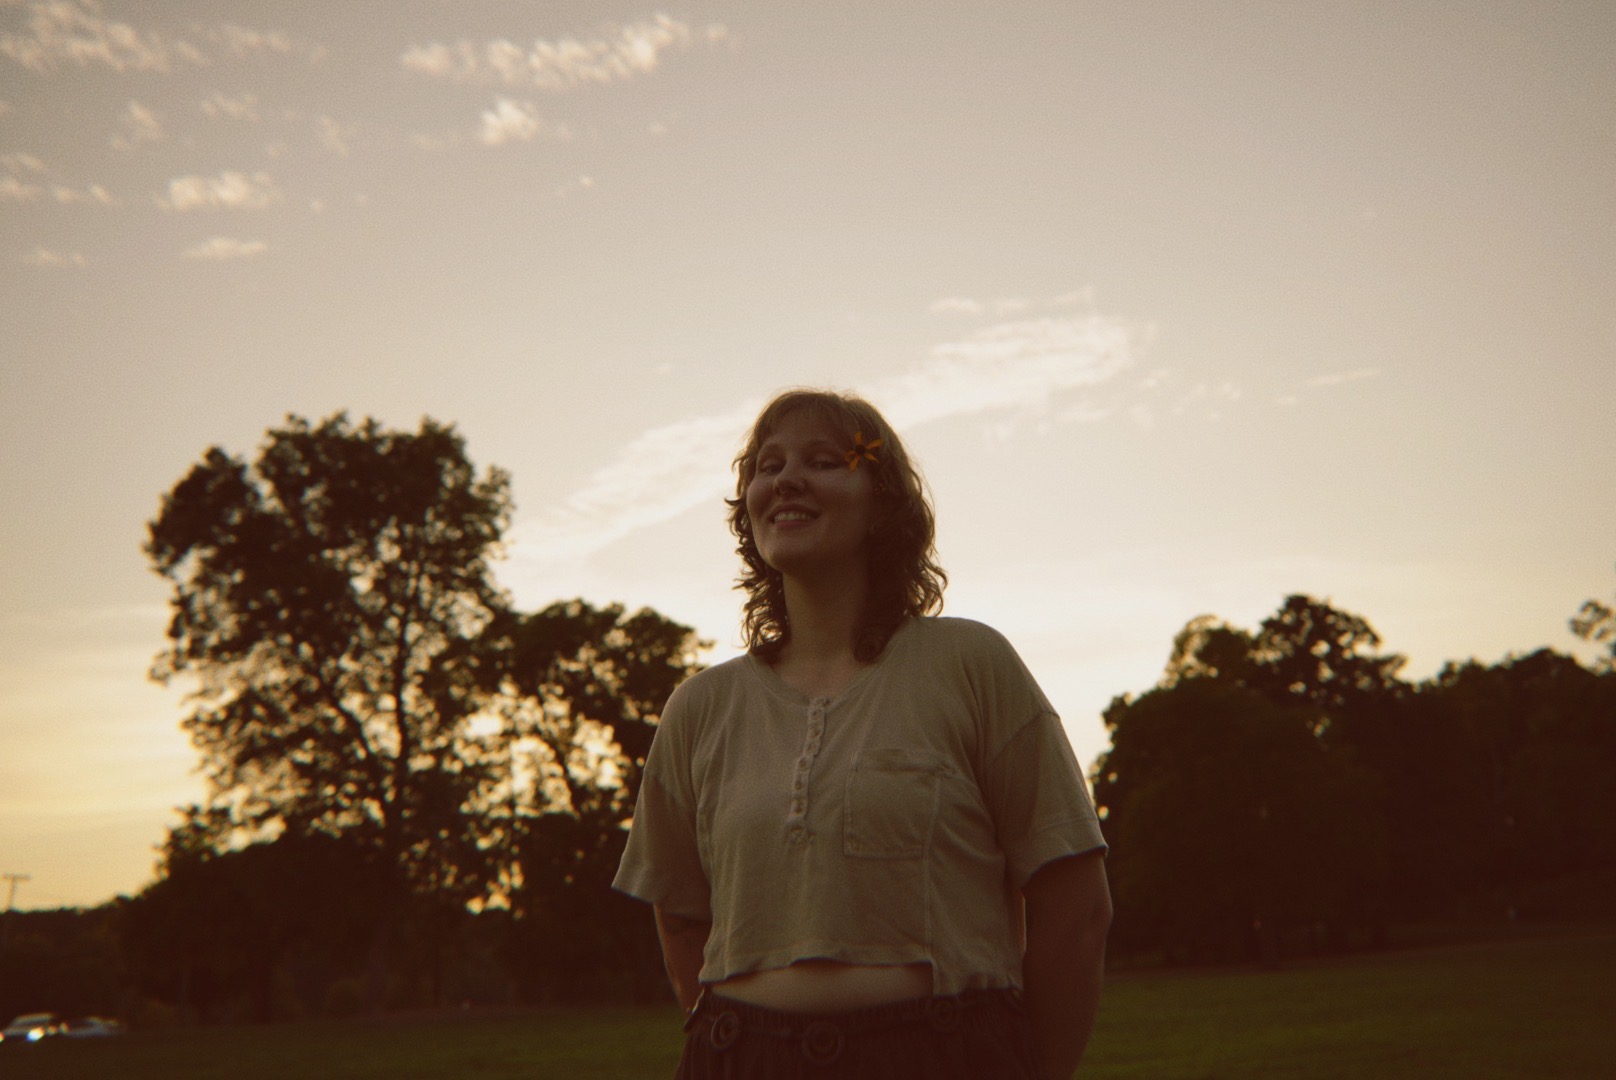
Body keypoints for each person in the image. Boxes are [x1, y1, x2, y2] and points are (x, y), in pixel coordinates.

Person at [614, 388, 1111, 1078]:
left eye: (822, 460)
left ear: (882, 502)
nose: (785, 479)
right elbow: (680, 920)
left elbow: (1076, 906)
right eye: (767, 465)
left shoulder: (971, 665)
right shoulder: (698, 708)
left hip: (945, 1051)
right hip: (739, 1055)